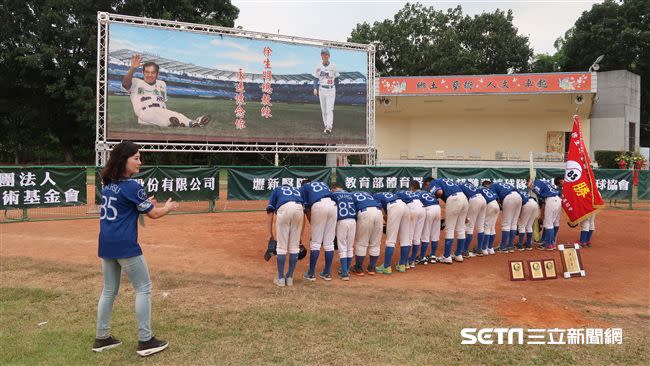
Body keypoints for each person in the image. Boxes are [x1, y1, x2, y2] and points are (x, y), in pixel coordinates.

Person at [93, 141, 177, 357]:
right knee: (143, 288)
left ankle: (102, 337)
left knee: (109, 291)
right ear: (124, 160)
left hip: (106, 243)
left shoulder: (109, 184)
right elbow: (154, 214)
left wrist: (142, 203)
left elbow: (127, 207)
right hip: (125, 245)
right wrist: (167, 208)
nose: (140, 162)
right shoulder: (132, 186)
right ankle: (145, 340)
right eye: (136, 158)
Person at [122, 54, 211, 128]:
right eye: (147, 72)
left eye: (153, 72)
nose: (150, 75)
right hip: (145, 111)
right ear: (143, 73)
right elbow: (125, 84)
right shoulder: (136, 82)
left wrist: (166, 113)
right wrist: (133, 68)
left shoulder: (162, 84)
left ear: (157, 74)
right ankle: (174, 123)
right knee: (158, 115)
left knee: (176, 114)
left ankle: (193, 123)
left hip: (160, 110)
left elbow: (162, 103)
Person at [266, 184, 305, 286]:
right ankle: (290, 277)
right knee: (294, 247)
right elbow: (303, 212)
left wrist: (269, 233)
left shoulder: (277, 189)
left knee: (281, 247)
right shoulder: (296, 190)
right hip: (299, 209)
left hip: (285, 208)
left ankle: (281, 279)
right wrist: (301, 234)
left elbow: (270, 212)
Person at [299, 181, 337, 281]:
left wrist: (312, 222)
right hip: (333, 205)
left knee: (315, 242)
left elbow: (306, 208)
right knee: (329, 243)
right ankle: (327, 273)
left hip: (319, 206)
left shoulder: (304, 187)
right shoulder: (323, 184)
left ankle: (311, 273)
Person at [429, 178, 468, 264]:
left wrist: (433, 195)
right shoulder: (444, 180)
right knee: (461, 228)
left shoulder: (433, 182)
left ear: (428, 182)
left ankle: (446, 256)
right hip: (464, 198)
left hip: (454, 199)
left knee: (449, 229)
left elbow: (439, 192)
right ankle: (458, 255)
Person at [373, 191, 410, 274]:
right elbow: (386, 215)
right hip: (404, 206)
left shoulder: (375, 195)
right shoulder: (388, 195)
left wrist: (383, 224)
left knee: (391, 240)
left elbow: (379, 211)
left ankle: (386, 266)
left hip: (394, 207)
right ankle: (402, 265)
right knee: (405, 239)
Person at [350, 191, 383, 275]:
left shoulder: (350, 196)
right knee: (375, 243)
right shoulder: (368, 194)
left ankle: (359, 268)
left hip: (365, 212)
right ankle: (372, 267)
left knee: (361, 242)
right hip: (379, 212)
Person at [487, 181, 522, 253]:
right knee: (514, 223)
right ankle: (510, 246)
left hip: (509, 198)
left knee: (506, 224)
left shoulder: (492, 186)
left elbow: (495, 199)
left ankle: (503, 247)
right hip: (518, 197)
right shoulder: (503, 184)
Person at [330, 183, 356, 280]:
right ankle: (346, 269)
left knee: (342, 246)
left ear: (334, 189)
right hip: (353, 221)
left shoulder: (333, 194)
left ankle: (344, 273)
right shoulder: (349, 194)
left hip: (342, 221)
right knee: (349, 247)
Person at [312, 48, 339, 134]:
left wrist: (335, 88)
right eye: (323, 54)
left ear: (329, 56)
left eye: (326, 54)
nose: (325, 56)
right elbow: (316, 79)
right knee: (324, 110)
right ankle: (326, 125)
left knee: (329, 109)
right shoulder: (318, 66)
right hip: (321, 89)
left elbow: (337, 79)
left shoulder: (333, 66)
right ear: (321, 56)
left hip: (331, 89)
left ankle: (329, 127)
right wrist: (315, 88)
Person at [531, 178, 561, 250]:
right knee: (554, 223)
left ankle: (548, 245)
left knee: (548, 224)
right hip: (558, 200)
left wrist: (530, 186)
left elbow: (536, 191)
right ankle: (552, 242)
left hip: (551, 200)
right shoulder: (545, 182)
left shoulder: (537, 181)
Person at [459, 181, 486, 258]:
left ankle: (465, 250)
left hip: (474, 200)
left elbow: (463, 200)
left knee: (469, 227)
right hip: (482, 199)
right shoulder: (472, 186)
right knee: (480, 226)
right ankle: (479, 249)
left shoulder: (460, 185)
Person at [478, 182, 499, 255]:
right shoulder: (490, 190)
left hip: (489, 205)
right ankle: (490, 248)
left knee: (486, 226)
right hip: (496, 205)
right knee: (492, 227)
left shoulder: (479, 189)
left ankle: (484, 249)